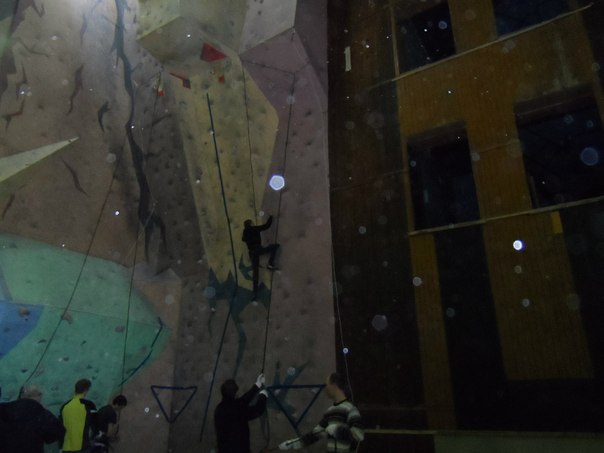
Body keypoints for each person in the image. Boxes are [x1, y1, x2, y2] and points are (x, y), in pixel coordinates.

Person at [278, 373, 364, 452]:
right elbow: (315, 434)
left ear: (334, 386)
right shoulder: (330, 411)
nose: (326, 388)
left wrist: (337, 430)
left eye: (327, 385)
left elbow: (358, 435)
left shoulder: (351, 409)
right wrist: (292, 443)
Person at [0, 385, 65, 453]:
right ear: (39, 396)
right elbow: (57, 433)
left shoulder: (3, 408)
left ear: (22, 395)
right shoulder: (40, 412)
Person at [215, 373, 269, 453]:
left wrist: (257, 385)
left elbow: (242, 401)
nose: (238, 394)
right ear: (234, 394)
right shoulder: (236, 409)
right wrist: (263, 396)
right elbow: (257, 410)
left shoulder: (219, 409)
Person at [242, 216, 280, 301]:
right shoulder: (254, 229)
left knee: (255, 274)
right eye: (252, 222)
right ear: (250, 224)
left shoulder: (245, 232)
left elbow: (243, 239)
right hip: (257, 250)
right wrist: (271, 217)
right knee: (275, 246)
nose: (253, 223)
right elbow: (266, 226)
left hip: (252, 253)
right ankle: (270, 264)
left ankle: (254, 294)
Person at [59, 378, 97, 452]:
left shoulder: (64, 406)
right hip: (83, 446)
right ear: (86, 390)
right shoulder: (89, 405)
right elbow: (95, 426)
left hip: (66, 447)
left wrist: (60, 447)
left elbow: (60, 428)